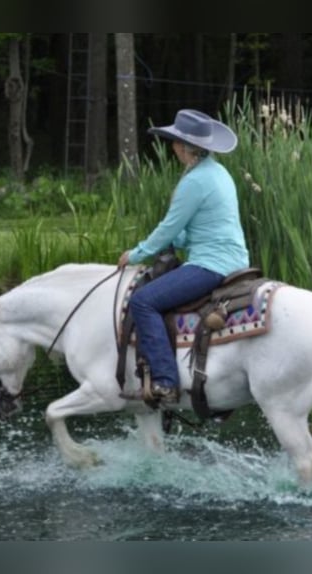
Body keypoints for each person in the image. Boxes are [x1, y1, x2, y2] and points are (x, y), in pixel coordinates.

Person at [117, 109, 250, 404]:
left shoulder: (195, 181)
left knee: (143, 301)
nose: (172, 147)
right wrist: (175, 238)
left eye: (174, 142)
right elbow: (190, 231)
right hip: (235, 259)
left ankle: (165, 381)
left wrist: (138, 253)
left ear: (182, 146)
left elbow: (168, 229)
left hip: (210, 264)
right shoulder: (219, 173)